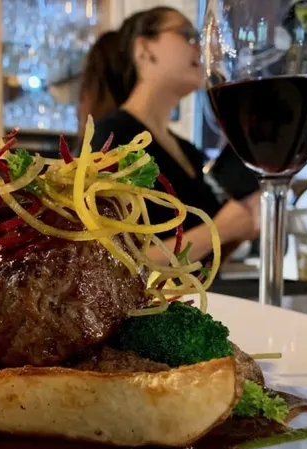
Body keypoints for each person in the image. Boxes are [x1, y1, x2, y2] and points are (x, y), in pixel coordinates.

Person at [79, 6, 261, 265]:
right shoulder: (113, 138)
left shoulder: (187, 151)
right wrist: (219, 230)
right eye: (187, 35)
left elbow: (202, 261)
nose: (202, 47)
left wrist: (242, 226)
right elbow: (111, 265)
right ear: (144, 49)